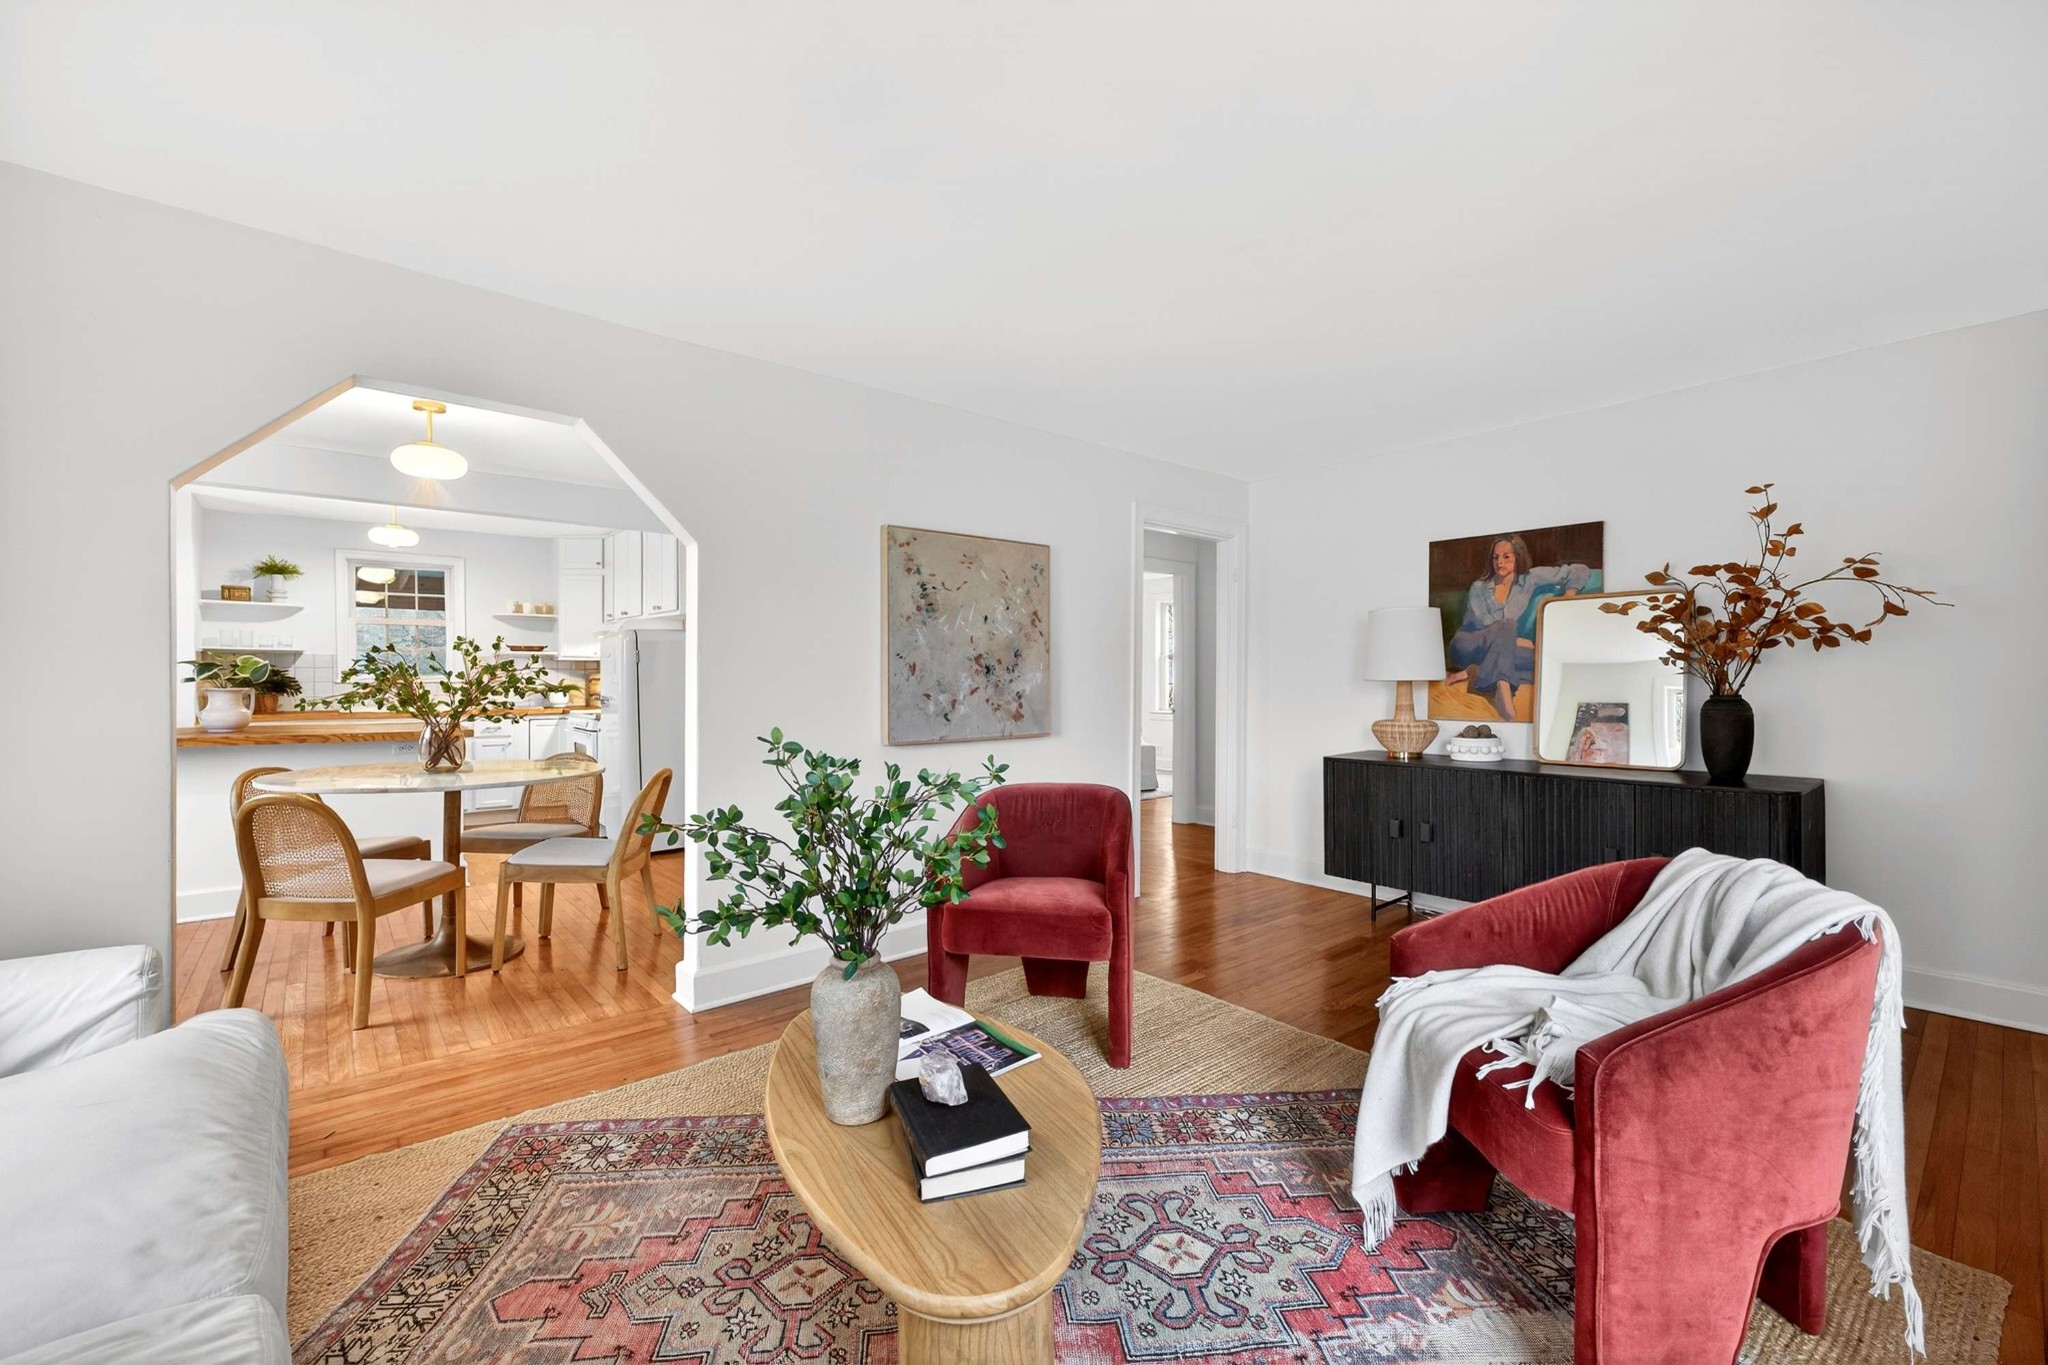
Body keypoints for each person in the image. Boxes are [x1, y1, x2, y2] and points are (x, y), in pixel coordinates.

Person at [1442, 534, 1595, 721]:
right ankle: (1503, 686)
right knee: (1508, 624)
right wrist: (1514, 638)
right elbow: (1483, 620)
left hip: (1497, 652)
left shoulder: (1530, 579)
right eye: (1495, 557)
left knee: (1540, 662)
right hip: (1469, 644)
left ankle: (1475, 672)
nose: (1500, 562)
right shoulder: (1479, 587)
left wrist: (1569, 595)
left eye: (1506, 556)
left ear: (1518, 556)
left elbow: (1579, 570)